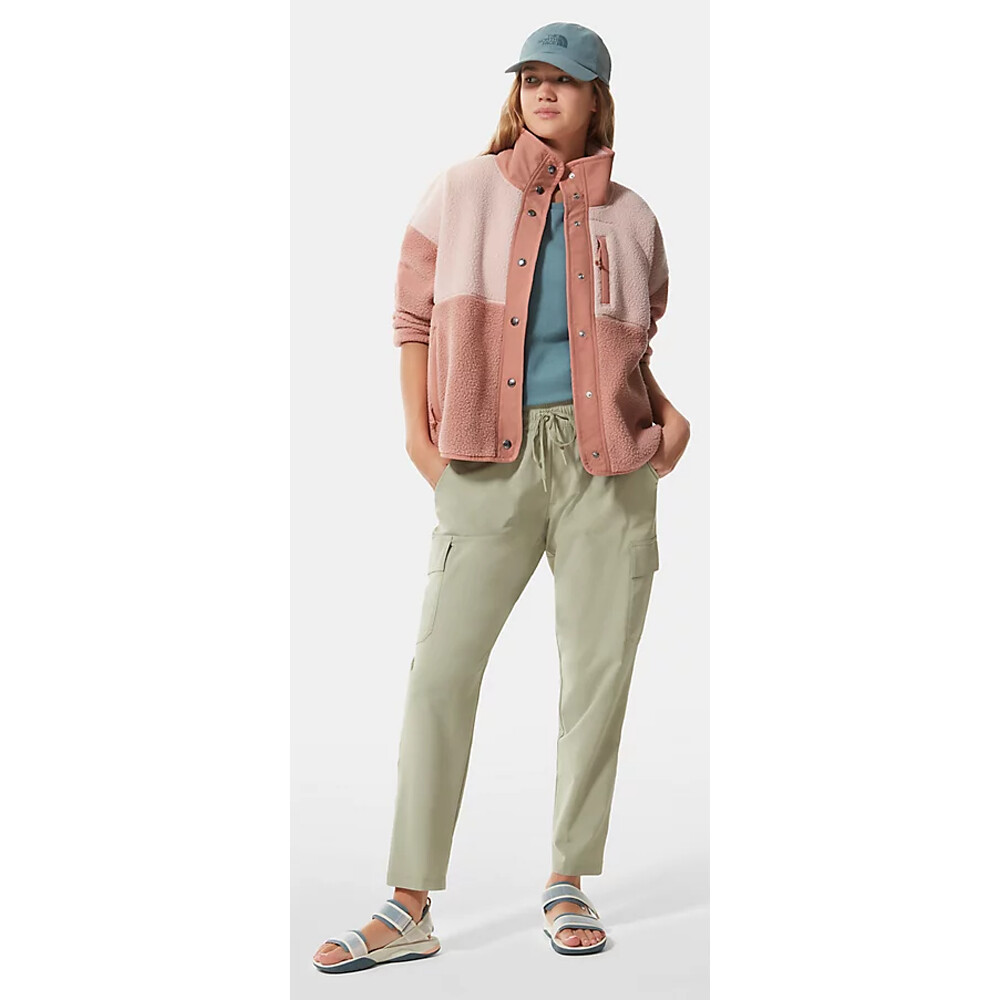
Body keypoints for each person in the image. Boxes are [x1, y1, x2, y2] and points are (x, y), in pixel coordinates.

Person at [313, 21, 691, 974]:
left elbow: (631, 347)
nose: (542, 92)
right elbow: (411, 317)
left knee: (597, 678)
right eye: (530, 78)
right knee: (440, 673)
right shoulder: (460, 191)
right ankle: (407, 903)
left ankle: (568, 879)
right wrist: (419, 438)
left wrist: (669, 417)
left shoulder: (635, 217)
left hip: (610, 468)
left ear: (598, 97)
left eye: (563, 79)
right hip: (487, 458)